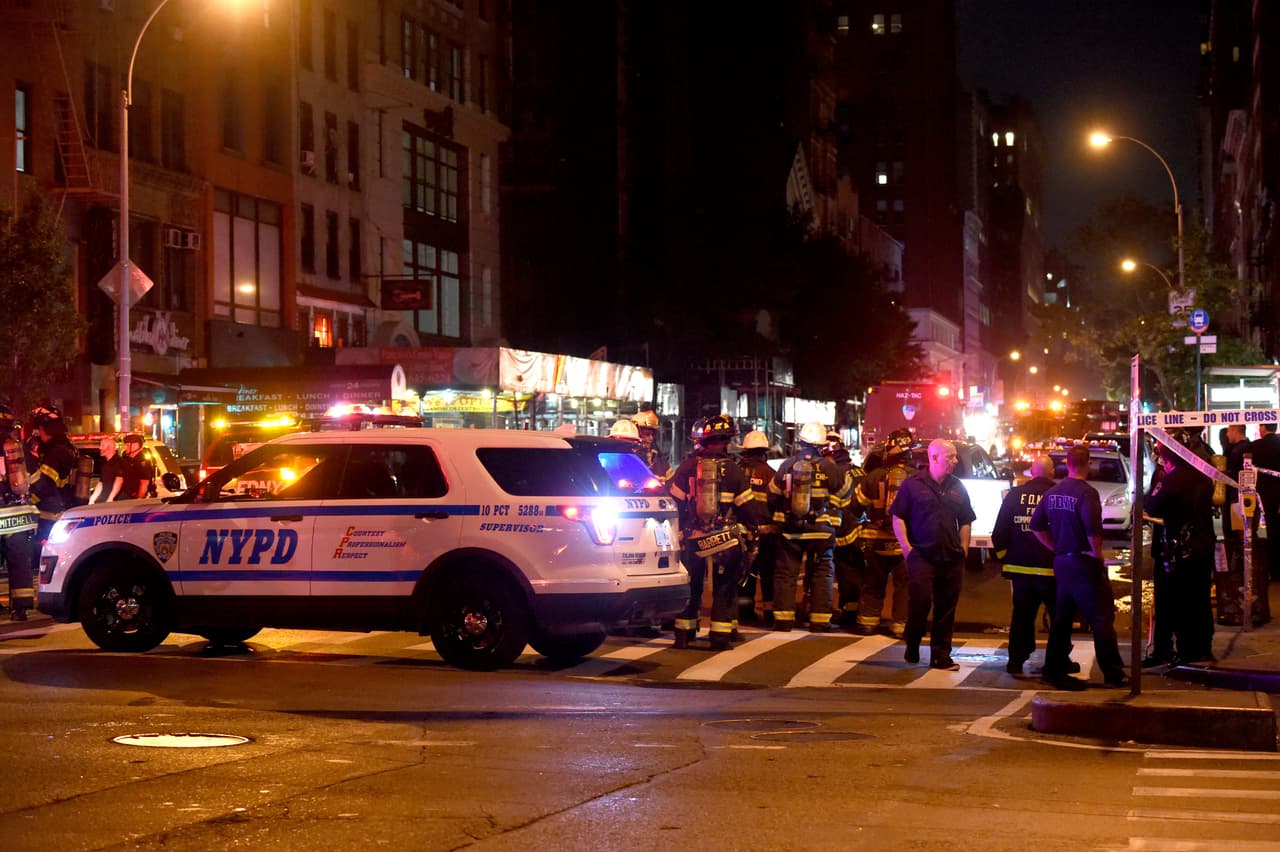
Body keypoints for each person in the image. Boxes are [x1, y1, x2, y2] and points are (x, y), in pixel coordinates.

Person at [1029, 444, 1128, 690]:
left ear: (1067, 463)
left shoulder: (1053, 492)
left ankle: (1053, 667)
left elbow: (1036, 526)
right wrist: (1097, 556)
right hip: (1084, 563)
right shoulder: (1087, 494)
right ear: (1088, 464)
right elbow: (1093, 530)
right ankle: (1113, 673)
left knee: (1062, 618)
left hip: (1063, 563)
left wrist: (1056, 547)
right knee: (1102, 617)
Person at [667, 415, 759, 650]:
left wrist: (682, 532)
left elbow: (673, 504)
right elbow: (748, 509)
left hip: (693, 538)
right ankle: (719, 638)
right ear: (727, 441)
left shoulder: (687, 467)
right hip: (724, 540)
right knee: (724, 588)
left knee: (691, 585)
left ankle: (683, 635)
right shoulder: (734, 470)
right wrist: (753, 532)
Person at [890, 439, 976, 670]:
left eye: (955, 456)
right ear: (934, 458)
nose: (955, 461)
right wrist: (907, 549)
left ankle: (941, 655)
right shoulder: (912, 485)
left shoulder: (958, 486)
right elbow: (898, 517)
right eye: (950, 457)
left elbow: (966, 520)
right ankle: (913, 641)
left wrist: (964, 548)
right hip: (922, 555)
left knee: (946, 608)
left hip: (951, 557)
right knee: (921, 601)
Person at [991, 454, 1075, 675]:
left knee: (1022, 617)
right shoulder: (1060, 495)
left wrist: (1005, 558)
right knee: (1059, 617)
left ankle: (1015, 661)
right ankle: (1058, 662)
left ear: (1031, 472)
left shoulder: (1014, 495)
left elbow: (999, 532)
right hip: (1053, 571)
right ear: (1052, 472)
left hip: (1020, 571)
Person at [768, 421, 851, 633]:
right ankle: (820, 621)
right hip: (821, 530)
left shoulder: (787, 466)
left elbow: (773, 496)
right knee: (822, 573)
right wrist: (831, 510)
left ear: (801, 443)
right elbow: (846, 494)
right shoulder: (830, 468)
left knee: (786, 574)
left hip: (791, 531)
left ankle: (784, 620)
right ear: (822, 446)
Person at [1144, 441, 1216, 665]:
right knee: (1200, 599)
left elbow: (1151, 505)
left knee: (1176, 601)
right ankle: (1203, 647)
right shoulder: (1203, 478)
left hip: (1178, 550)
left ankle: (1184, 650)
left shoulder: (1171, 480)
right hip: (1202, 547)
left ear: (1166, 459)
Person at [852, 429, 914, 637]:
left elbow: (856, 506)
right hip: (904, 543)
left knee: (873, 582)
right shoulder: (916, 478)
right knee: (904, 585)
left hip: (876, 541)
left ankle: (868, 623)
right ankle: (900, 626)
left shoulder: (873, 476)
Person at [26, 404, 80, 558]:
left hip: (50, 514)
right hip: (63, 508)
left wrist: (28, 502)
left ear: (47, 429)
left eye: (40, 428)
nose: (38, 433)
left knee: (44, 556)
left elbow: (45, 485)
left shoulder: (55, 452)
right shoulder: (69, 448)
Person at [735, 429, 777, 624]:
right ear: (764, 452)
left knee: (745, 573)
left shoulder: (735, 471)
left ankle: (745, 612)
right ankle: (769, 613)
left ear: (745, 451)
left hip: (741, 533)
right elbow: (778, 503)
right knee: (768, 574)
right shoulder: (771, 475)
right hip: (766, 533)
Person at [825, 431, 866, 630]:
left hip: (844, 533)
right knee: (859, 573)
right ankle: (855, 610)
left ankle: (849, 613)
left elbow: (835, 505)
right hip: (862, 530)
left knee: (846, 574)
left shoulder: (836, 475)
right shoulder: (858, 471)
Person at [0, 403, 37, 621]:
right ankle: (21, 609)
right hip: (17, 516)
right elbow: (33, 479)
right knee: (19, 562)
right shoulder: (17, 449)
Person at [1247, 422, 1280, 580]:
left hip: (1263, 495)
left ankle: (1273, 570)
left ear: (1263, 428)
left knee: (1271, 532)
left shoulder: (1255, 447)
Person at [632, 409, 672, 483]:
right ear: (636, 434)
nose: (651, 438)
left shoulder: (658, 457)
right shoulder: (629, 457)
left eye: (652, 434)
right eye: (647, 434)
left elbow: (671, 481)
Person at [90, 436, 127, 503]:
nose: (100, 448)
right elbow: (101, 482)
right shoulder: (105, 463)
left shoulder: (119, 462)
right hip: (105, 498)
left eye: (103, 445)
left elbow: (119, 481)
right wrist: (92, 499)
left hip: (117, 500)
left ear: (110, 447)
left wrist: (111, 498)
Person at [118, 434, 154, 500]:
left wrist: (138, 500)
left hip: (132, 497)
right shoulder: (127, 458)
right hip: (124, 493)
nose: (126, 448)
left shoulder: (142, 461)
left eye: (127, 445)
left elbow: (144, 483)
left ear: (135, 445)